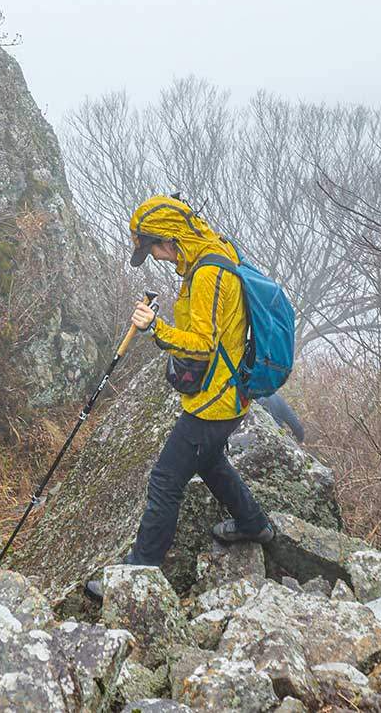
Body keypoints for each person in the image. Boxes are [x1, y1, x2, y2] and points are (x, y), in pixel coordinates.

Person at [85, 195, 273, 600]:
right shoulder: (212, 253)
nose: (155, 257)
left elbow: (202, 345)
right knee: (209, 462)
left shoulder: (207, 273)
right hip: (225, 396)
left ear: (169, 239)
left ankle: (137, 578)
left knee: (166, 480)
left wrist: (157, 328)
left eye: (153, 248)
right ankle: (253, 523)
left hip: (215, 401)